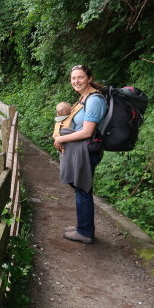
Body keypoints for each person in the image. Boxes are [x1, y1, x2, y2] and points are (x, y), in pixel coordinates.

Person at [53, 65, 107, 244]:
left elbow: (86, 132)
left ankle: (85, 232)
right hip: (79, 150)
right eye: (73, 78)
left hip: (87, 150)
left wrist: (62, 139)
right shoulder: (83, 98)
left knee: (82, 188)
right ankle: (83, 227)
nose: (76, 81)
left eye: (80, 77)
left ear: (89, 78)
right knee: (78, 187)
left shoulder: (94, 100)